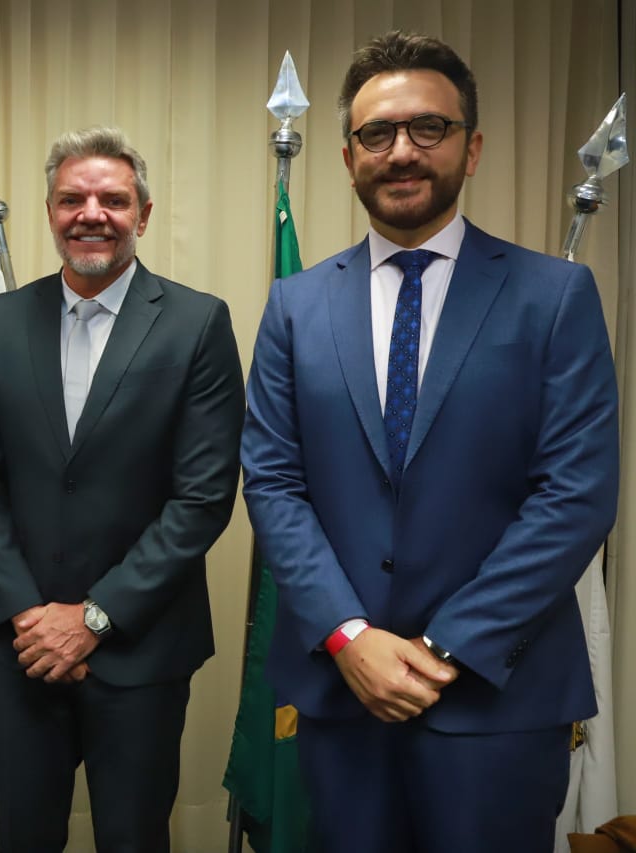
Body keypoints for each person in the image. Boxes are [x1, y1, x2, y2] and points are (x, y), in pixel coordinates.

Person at [240, 31, 620, 853]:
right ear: (349, 158)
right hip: (344, 698)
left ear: (471, 148)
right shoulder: (296, 307)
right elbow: (271, 481)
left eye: (428, 128)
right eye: (377, 133)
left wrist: (444, 646)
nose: (402, 151)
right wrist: (349, 636)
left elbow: (577, 495)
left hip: (499, 698)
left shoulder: (555, 297)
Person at [0, 126, 246, 851]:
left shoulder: (197, 323)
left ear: (142, 214)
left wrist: (93, 617)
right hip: (23, 649)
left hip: (142, 648)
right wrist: (31, 616)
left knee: (133, 839)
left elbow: (203, 497)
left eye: (113, 199)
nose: (92, 214)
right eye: (72, 199)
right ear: (50, 211)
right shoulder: (0, 322)